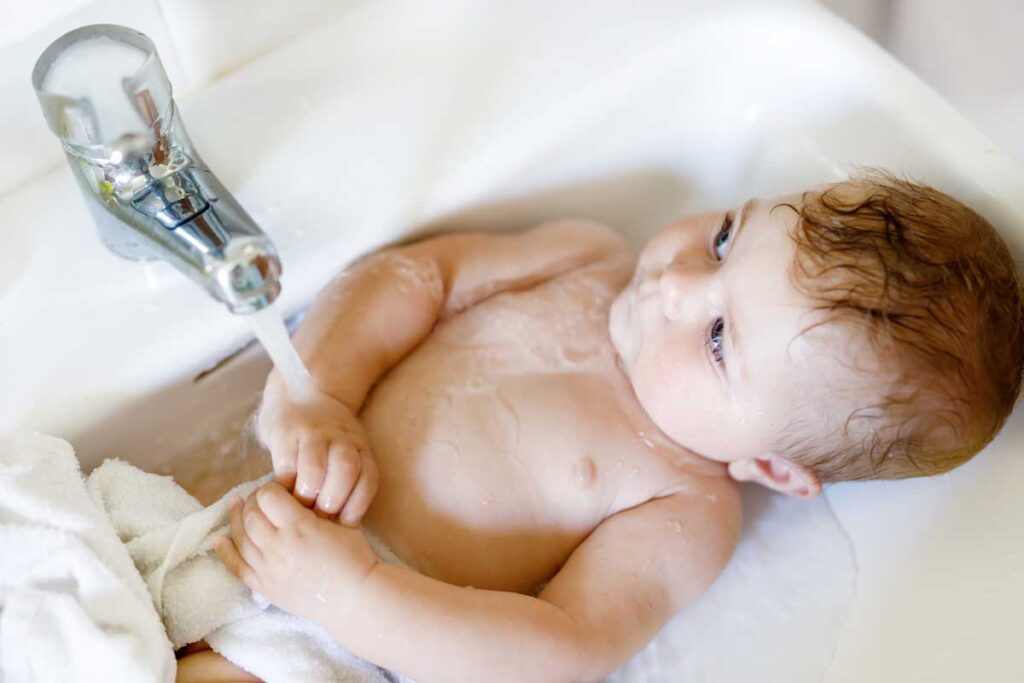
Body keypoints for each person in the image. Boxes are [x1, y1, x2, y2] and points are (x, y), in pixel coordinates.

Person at [190, 170, 1023, 682]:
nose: (676, 283)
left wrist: (349, 595)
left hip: (344, 643)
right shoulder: (586, 255)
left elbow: (562, 648)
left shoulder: (685, 508)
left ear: (770, 466)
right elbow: (415, 276)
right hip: (240, 513)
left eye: (721, 338)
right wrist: (317, 397)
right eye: (728, 238)